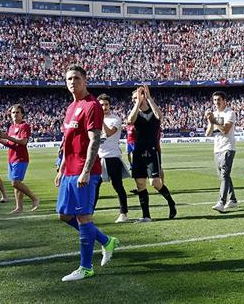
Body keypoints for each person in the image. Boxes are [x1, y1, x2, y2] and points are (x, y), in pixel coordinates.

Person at [56, 65, 119, 281]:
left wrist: (85, 171)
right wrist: (62, 168)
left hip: (86, 171)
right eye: (68, 79)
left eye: (76, 78)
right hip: (69, 171)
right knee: (64, 215)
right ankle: (106, 241)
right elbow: (67, 142)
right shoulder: (71, 107)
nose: (72, 82)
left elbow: (94, 141)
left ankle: (86, 267)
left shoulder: (92, 106)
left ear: (85, 80)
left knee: (83, 217)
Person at [128, 85, 177, 222]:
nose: (133, 100)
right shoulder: (135, 112)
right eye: (133, 98)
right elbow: (130, 120)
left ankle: (171, 202)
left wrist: (148, 97)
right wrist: (137, 103)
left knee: (155, 182)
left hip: (152, 150)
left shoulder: (152, 110)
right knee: (140, 183)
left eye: (135, 97)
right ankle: (146, 216)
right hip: (138, 150)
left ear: (143, 96)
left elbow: (159, 116)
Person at [0, 104, 39, 213]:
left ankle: (34, 198)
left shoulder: (24, 126)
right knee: (17, 185)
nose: (15, 114)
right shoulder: (11, 127)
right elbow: (11, 143)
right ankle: (19, 207)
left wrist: (6, 137)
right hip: (11, 158)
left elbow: (23, 142)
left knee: (15, 182)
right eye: (13, 113)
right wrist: (1, 141)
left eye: (17, 112)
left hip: (20, 158)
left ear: (22, 114)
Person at [96, 94, 130, 223]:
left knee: (118, 186)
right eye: (101, 105)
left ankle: (123, 213)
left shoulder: (115, 119)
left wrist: (100, 119)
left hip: (112, 157)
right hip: (98, 158)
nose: (104, 107)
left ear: (110, 105)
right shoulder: (93, 119)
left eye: (106, 105)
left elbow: (109, 132)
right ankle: (89, 213)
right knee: (94, 186)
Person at [207, 91, 239, 213]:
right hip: (217, 148)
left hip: (228, 147)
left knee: (224, 175)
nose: (216, 102)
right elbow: (208, 133)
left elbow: (225, 130)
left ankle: (221, 201)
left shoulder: (230, 113)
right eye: (214, 100)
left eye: (219, 99)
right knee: (223, 176)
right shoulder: (213, 114)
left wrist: (214, 121)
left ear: (225, 100)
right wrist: (210, 122)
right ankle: (233, 200)